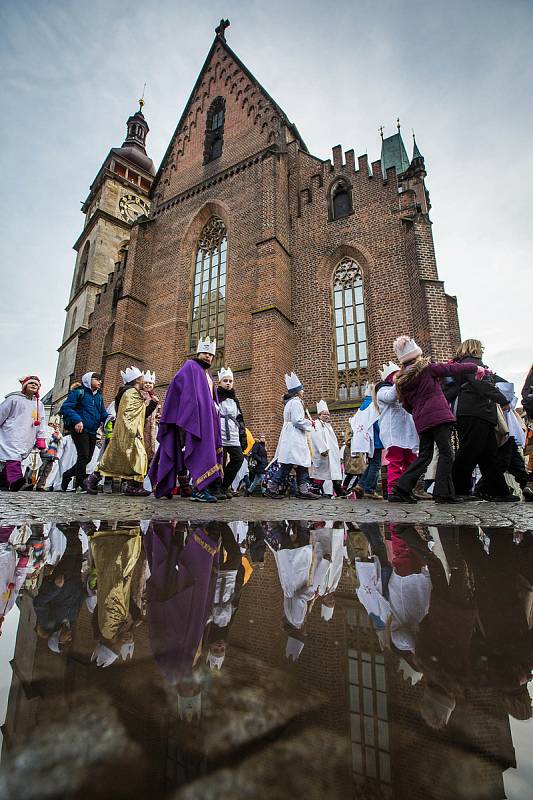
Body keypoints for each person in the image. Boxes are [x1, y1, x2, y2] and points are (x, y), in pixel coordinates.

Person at [388, 336, 487, 504]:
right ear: (417, 354)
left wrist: (419, 412)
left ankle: (400, 488)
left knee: (425, 456)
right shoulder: (427, 369)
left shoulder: (402, 381)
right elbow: (451, 369)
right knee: (446, 453)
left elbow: (405, 405)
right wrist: (476, 367)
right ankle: (442, 493)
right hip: (439, 416)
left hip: (422, 420)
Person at [149, 337, 226, 502]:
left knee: (204, 451)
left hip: (207, 421)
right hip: (192, 420)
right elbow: (177, 385)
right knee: (199, 451)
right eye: (205, 353)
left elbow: (210, 398)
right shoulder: (190, 366)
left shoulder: (207, 374)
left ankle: (196, 487)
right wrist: (188, 411)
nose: (208, 357)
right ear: (198, 352)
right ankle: (199, 489)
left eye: (211, 355)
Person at [444, 339, 517, 502]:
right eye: (481, 348)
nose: (483, 351)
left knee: (488, 455)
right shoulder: (472, 364)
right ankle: (457, 490)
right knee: (469, 452)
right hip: (475, 413)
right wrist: (502, 399)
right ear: (475, 348)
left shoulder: (466, 364)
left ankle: (497, 490)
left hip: (478, 414)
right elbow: (482, 385)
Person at [86, 366, 156, 496]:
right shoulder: (131, 393)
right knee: (139, 457)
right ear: (137, 380)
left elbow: (140, 414)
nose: (143, 381)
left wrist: (152, 405)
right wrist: (133, 432)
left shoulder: (130, 393)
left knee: (116, 458)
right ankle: (134, 486)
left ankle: (95, 479)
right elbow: (128, 416)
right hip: (129, 433)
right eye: (142, 379)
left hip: (128, 432)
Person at [266, 372, 318, 499]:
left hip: (291, 435)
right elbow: (297, 420)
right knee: (290, 464)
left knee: (300, 464)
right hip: (294, 437)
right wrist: (309, 423)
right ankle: (272, 487)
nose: (303, 391)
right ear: (298, 391)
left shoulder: (290, 403)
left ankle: (302, 489)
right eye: (302, 389)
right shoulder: (295, 402)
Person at [375, 361, 419, 494]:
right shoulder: (383, 390)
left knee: (411, 462)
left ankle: (407, 489)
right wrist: (399, 382)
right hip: (394, 433)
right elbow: (390, 397)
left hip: (407, 433)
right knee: (395, 461)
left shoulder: (403, 391)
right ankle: (393, 490)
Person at [60, 372, 108, 492]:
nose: (100, 382)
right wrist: (77, 420)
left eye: (100, 380)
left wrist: (109, 418)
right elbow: (66, 408)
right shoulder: (78, 393)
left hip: (93, 430)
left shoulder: (98, 397)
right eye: (97, 379)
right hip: (80, 429)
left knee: (87, 458)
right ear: (88, 380)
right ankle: (82, 482)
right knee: (83, 455)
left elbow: (102, 413)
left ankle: (67, 475)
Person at [0, 375, 47, 491]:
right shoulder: (13, 399)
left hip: (27, 436)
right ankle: (17, 481)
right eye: (31, 383)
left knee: (17, 458)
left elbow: (41, 422)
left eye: (36, 384)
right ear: (24, 386)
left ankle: (3, 482)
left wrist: (41, 438)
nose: (34, 385)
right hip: (11, 434)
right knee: (13, 457)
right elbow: (1, 414)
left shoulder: (39, 404)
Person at [217, 367, 247, 498]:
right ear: (220, 382)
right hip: (220, 433)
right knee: (219, 462)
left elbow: (239, 418)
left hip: (233, 434)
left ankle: (225, 485)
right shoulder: (216, 396)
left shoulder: (235, 399)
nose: (228, 383)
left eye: (230, 381)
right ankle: (217, 488)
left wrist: (242, 436)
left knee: (238, 458)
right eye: (225, 381)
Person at [309, 400, 347, 497]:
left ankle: (337, 489)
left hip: (331, 454)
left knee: (332, 472)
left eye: (328, 414)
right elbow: (316, 437)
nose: (327, 416)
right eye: (324, 414)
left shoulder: (328, 426)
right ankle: (316, 489)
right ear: (319, 414)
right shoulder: (316, 424)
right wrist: (323, 449)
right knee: (322, 472)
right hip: (323, 453)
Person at [354, 384, 384, 499]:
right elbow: (376, 423)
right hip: (375, 439)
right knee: (376, 465)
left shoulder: (363, 405)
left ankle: (361, 485)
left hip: (367, 440)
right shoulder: (373, 405)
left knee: (372, 464)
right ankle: (370, 490)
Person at [35, 415, 63, 491]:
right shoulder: (47, 431)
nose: (56, 425)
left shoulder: (58, 433)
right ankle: (34, 483)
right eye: (55, 424)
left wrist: (57, 455)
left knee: (47, 471)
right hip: (45, 454)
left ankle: (40, 485)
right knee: (41, 470)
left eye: (57, 424)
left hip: (52, 455)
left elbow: (60, 445)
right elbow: (48, 440)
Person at [140, 370, 160, 464]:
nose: (148, 385)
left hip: (152, 426)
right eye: (146, 383)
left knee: (151, 447)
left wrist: (157, 417)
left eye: (150, 383)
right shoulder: (141, 394)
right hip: (143, 425)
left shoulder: (153, 396)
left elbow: (154, 412)